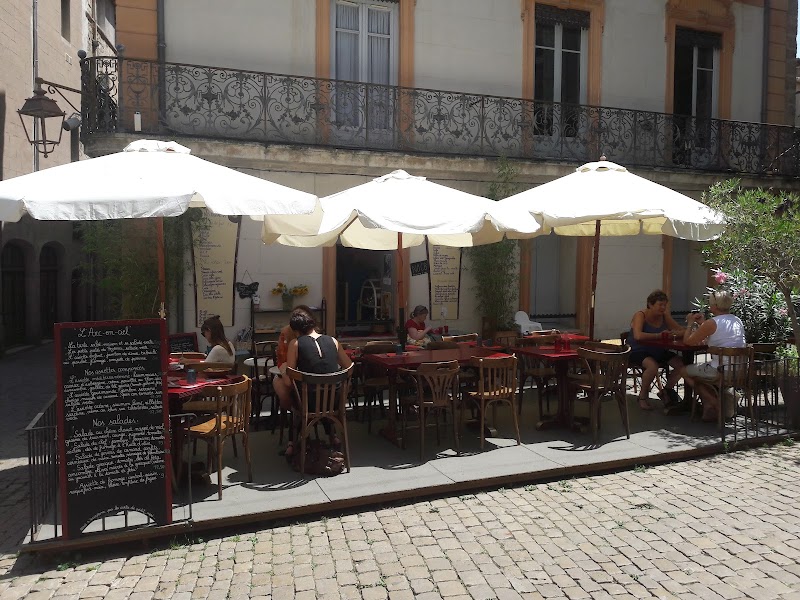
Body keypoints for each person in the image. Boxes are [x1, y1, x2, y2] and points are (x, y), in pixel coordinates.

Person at [283, 310, 352, 457]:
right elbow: (349, 366)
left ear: (296, 331)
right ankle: (332, 436)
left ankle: (293, 442)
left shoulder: (295, 344)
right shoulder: (333, 341)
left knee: (296, 396)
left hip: (309, 402)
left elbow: (289, 382)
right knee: (323, 393)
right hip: (335, 400)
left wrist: (284, 372)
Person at [680, 290, 746, 422]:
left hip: (720, 371)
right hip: (739, 370)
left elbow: (688, 341)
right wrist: (702, 324)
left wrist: (689, 323)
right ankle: (711, 405)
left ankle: (715, 403)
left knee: (683, 371)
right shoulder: (736, 320)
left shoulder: (712, 323)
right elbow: (718, 335)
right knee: (702, 380)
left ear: (714, 306)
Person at [628, 290, 686, 411]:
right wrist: (659, 335)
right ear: (650, 304)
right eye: (660, 304)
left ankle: (666, 391)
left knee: (682, 365)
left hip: (658, 350)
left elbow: (681, 330)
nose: (663, 308)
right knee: (652, 366)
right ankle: (643, 396)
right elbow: (638, 336)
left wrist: (676, 333)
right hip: (638, 350)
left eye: (665, 305)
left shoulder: (664, 316)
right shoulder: (641, 315)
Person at [272, 305, 313, 415]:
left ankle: (301, 412)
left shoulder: (311, 335)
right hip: (296, 373)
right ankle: (296, 411)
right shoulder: (287, 333)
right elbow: (282, 360)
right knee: (284, 387)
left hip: (307, 377)